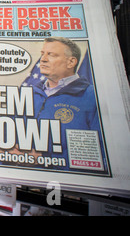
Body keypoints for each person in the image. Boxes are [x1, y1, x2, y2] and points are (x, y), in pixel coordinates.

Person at [30, 37, 105, 171]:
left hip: (69, 184)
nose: (43, 59)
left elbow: (101, 153)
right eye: (43, 53)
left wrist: (45, 157)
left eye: (51, 54)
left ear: (71, 62)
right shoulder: (28, 93)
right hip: (24, 180)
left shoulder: (93, 96)